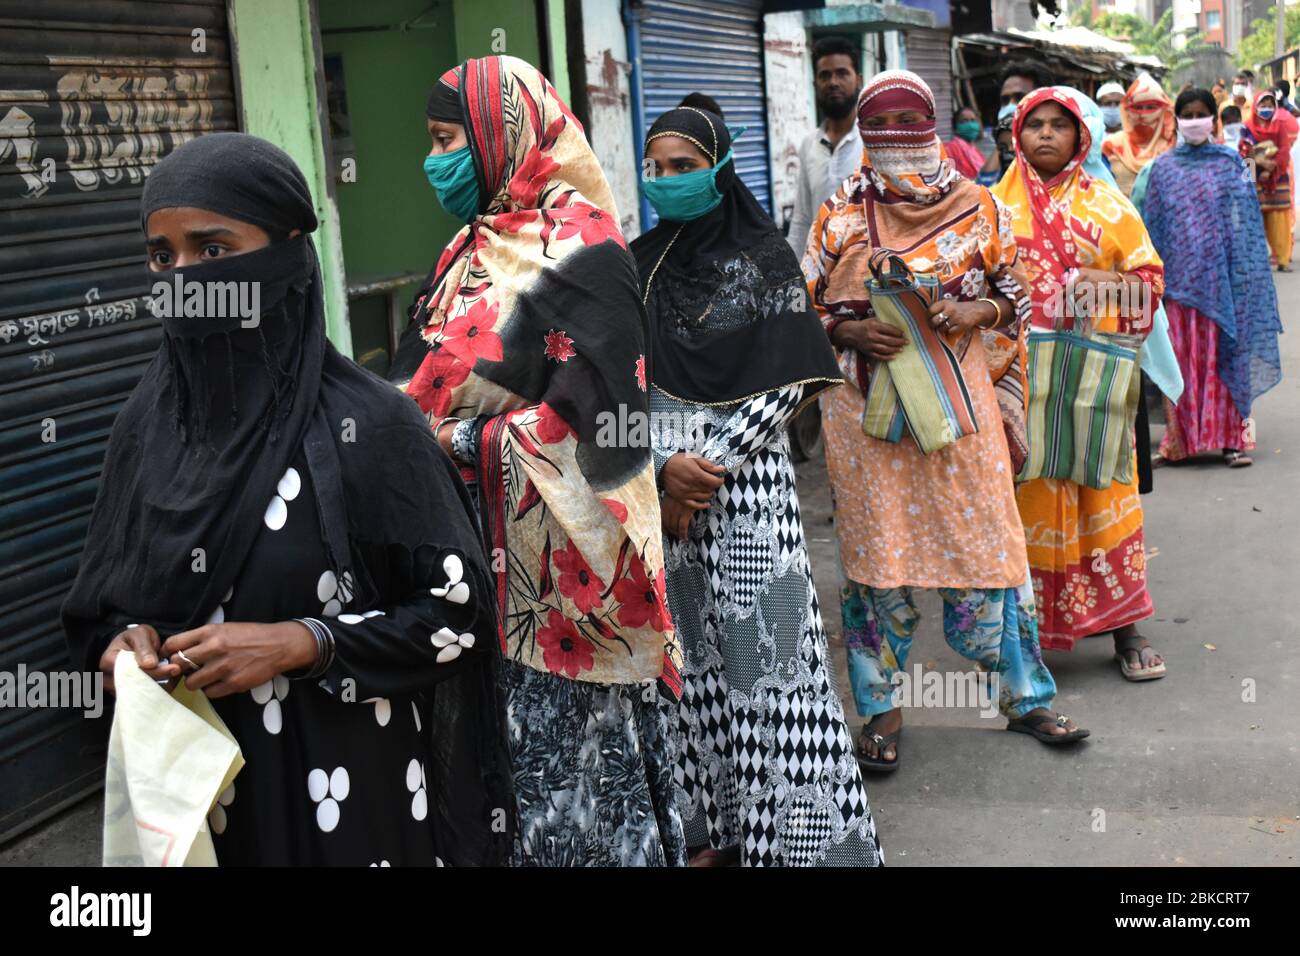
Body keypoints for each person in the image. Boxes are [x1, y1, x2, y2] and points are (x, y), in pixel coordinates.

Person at [62, 133, 514, 866]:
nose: (184, 278)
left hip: (350, 802)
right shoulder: (146, 428)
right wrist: (125, 647)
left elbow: (458, 618)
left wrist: (299, 643)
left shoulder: (369, 425)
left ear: (288, 251)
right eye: (162, 257)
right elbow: (100, 609)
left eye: (212, 252)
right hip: (193, 808)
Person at [393, 54, 687, 866]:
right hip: (464, 560)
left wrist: (453, 442)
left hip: (557, 587)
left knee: (575, 793)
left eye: (447, 138)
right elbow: (427, 372)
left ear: (501, 132)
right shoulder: (469, 245)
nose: (435, 159)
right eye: (431, 140)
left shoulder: (583, 248)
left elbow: (604, 429)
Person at [804, 70, 1088, 772]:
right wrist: (846, 334)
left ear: (931, 125)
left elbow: (1017, 293)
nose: (897, 137)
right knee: (875, 559)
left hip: (960, 406)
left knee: (989, 540)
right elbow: (797, 306)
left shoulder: (977, 205)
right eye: (882, 123)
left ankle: (1025, 699)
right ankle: (881, 712)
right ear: (866, 135)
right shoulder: (839, 209)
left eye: (911, 119)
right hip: (865, 416)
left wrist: (977, 312)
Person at [632, 105, 882, 867]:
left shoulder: (767, 259)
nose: (669, 181)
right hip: (662, 495)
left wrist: (701, 472)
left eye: (684, 166)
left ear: (718, 167)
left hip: (744, 496)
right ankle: (717, 831)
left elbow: (780, 383)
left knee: (767, 669)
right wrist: (659, 471)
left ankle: (802, 847)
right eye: (658, 168)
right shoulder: (637, 265)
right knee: (692, 671)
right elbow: (620, 380)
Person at [993, 88, 1168, 681]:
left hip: (1093, 380)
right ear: (1017, 134)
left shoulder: (1110, 206)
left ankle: (1127, 628)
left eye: (1057, 125)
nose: (1044, 134)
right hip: (1020, 383)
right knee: (1025, 496)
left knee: (1104, 492)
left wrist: (1096, 280)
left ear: (1081, 136)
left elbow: (1148, 279)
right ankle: (1025, 637)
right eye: (1033, 124)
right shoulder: (991, 207)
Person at [1141, 88, 1284, 469]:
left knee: (1225, 361)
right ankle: (1178, 442)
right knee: (1180, 365)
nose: (1194, 120)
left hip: (1222, 283)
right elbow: (1152, 228)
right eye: (1186, 114)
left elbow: (1248, 226)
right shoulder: (1163, 168)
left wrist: (1246, 277)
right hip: (1178, 287)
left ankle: (1231, 442)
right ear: (1177, 119)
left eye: (1201, 113)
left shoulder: (1231, 163)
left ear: (1214, 121)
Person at [786, 35, 864, 254]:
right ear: (815, 84)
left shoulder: (872, 140)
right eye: (825, 76)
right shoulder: (810, 144)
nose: (833, 83)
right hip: (820, 273)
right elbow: (802, 217)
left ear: (858, 80)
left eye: (842, 73)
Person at [1246, 90, 1299, 271]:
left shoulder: (1279, 127)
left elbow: (1284, 150)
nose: (1266, 109)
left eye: (1270, 105)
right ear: (1255, 106)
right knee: (1256, 220)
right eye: (1263, 105)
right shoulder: (1247, 128)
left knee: (1280, 220)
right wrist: (1256, 168)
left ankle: (1283, 259)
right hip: (1255, 180)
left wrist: (1272, 168)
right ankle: (1261, 258)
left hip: (1277, 178)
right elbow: (1244, 152)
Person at [1102, 73, 1176, 198]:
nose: (1143, 114)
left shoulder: (1175, 146)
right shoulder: (1110, 145)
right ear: (1127, 110)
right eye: (1137, 107)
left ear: (1164, 110)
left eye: (1151, 107)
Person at [977, 102, 1017, 186]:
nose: (1009, 150)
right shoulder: (999, 185)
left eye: (1014, 144)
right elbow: (984, 181)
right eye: (1002, 148)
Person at [948, 105, 987, 180]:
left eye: (973, 120)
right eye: (964, 121)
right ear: (955, 127)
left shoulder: (975, 150)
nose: (971, 125)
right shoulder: (949, 149)